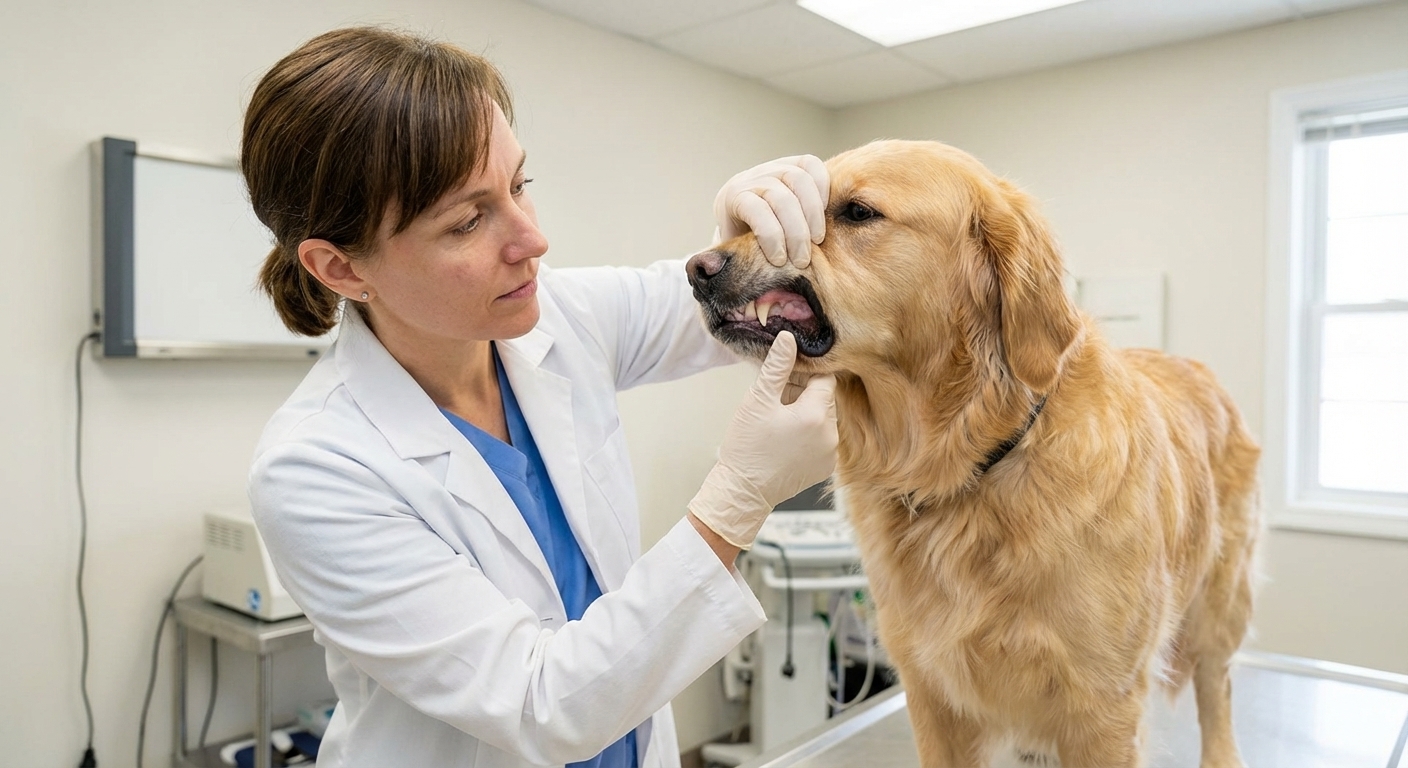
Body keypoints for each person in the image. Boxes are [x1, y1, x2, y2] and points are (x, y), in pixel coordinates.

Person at [243, 27, 837, 768]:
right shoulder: (315, 469)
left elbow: (714, 314)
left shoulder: (561, 316)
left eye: (519, 185)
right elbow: (540, 705)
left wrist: (743, 237)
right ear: (339, 266)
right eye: (467, 220)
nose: (533, 239)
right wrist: (738, 498)